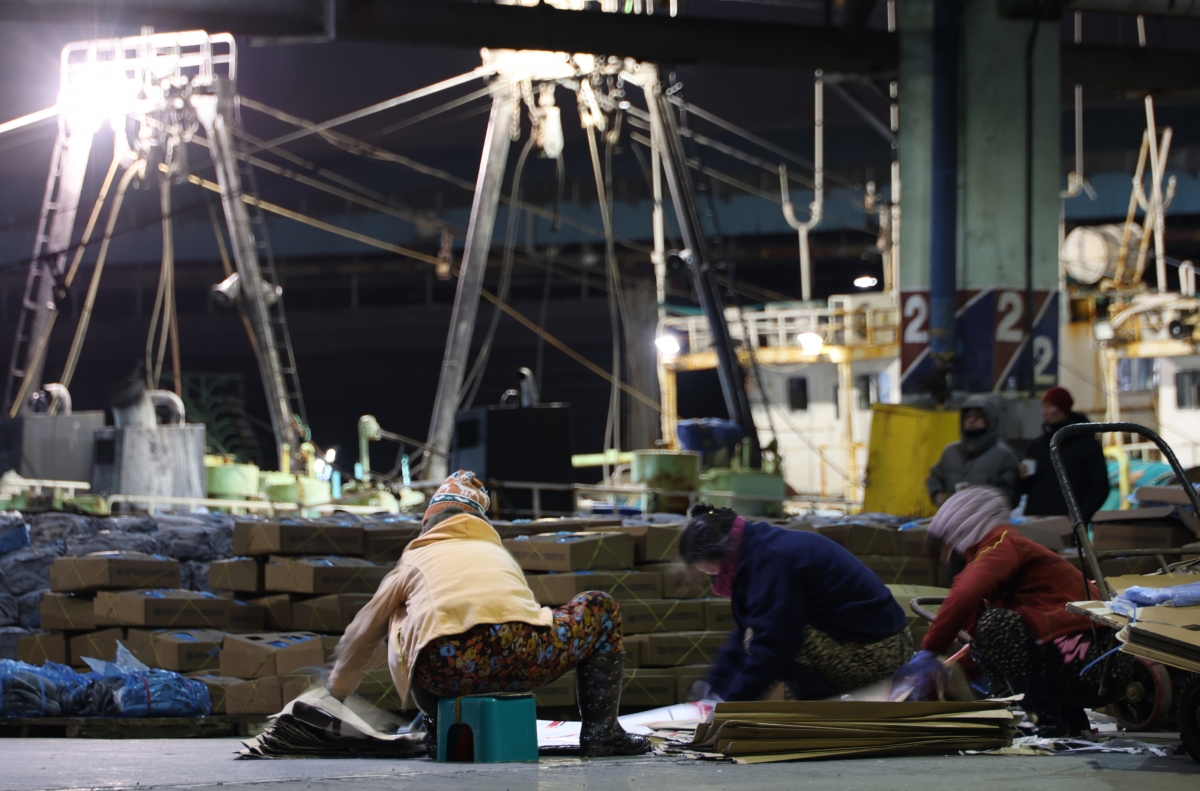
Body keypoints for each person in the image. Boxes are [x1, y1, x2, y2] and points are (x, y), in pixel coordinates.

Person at [328, 470, 649, 758]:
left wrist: (336, 692)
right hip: (523, 657)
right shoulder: (495, 552)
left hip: (446, 671)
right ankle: (601, 735)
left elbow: (362, 633)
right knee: (600, 606)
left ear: (428, 522)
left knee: (411, 620)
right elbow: (521, 612)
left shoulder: (414, 558)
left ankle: (439, 732)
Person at [892, 486, 1132, 736]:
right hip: (1082, 658)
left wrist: (931, 650)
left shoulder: (1001, 544)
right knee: (987, 636)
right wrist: (943, 672)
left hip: (1094, 662)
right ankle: (1070, 721)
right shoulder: (1004, 564)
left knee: (996, 627)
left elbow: (966, 592)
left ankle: (1046, 723)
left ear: (963, 531)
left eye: (946, 550)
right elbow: (981, 646)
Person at [680, 503, 911, 703]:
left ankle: (824, 713)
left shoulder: (772, 561)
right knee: (758, 636)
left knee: (777, 641)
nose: (706, 573)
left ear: (721, 553)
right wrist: (715, 688)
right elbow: (740, 634)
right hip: (856, 640)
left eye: (704, 567)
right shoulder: (753, 551)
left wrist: (731, 704)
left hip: (880, 653)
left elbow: (775, 644)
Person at [1017, 386, 1110, 524]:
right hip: (1036, 520)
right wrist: (1021, 477)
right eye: (1043, 407)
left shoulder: (1086, 444)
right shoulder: (1037, 446)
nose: (1044, 412)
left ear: (1063, 409)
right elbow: (1025, 487)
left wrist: (1080, 518)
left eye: (1049, 406)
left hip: (1069, 523)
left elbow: (1099, 486)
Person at [927, 395, 1020, 506]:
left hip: (989, 519)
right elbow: (935, 477)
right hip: (955, 518)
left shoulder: (1004, 455)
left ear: (990, 420)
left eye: (978, 416)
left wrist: (981, 498)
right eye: (968, 416)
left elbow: (1011, 494)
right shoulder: (950, 452)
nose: (971, 420)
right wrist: (937, 494)